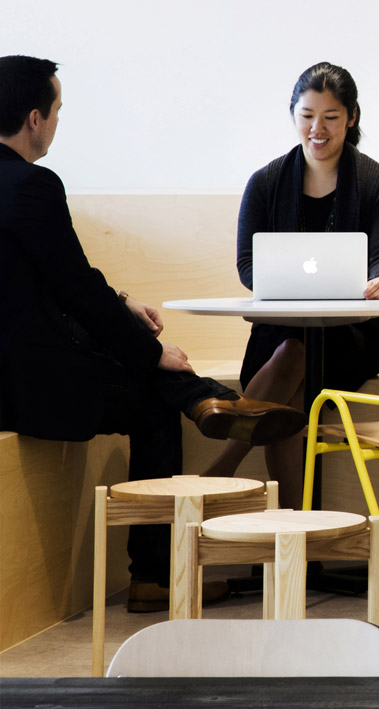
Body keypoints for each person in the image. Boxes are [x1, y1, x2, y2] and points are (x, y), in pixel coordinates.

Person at [0, 56, 305, 611]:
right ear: (35, 118)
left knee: (141, 374)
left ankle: (212, 401)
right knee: (153, 406)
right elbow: (73, 290)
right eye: (59, 111)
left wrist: (121, 304)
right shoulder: (32, 185)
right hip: (26, 385)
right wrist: (152, 351)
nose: (59, 122)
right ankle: (155, 575)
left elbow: (45, 278)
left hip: (17, 368)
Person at [200, 63, 379, 511]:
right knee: (292, 357)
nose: (318, 128)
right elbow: (247, 264)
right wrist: (277, 284)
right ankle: (300, 537)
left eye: (331, 117)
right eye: (307, 115)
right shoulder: (266, 182)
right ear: (293, 114)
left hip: (354, 332)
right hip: (279, 328)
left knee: (295, 355)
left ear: (351, 118)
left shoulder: (377, 183)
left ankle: (228, 464)